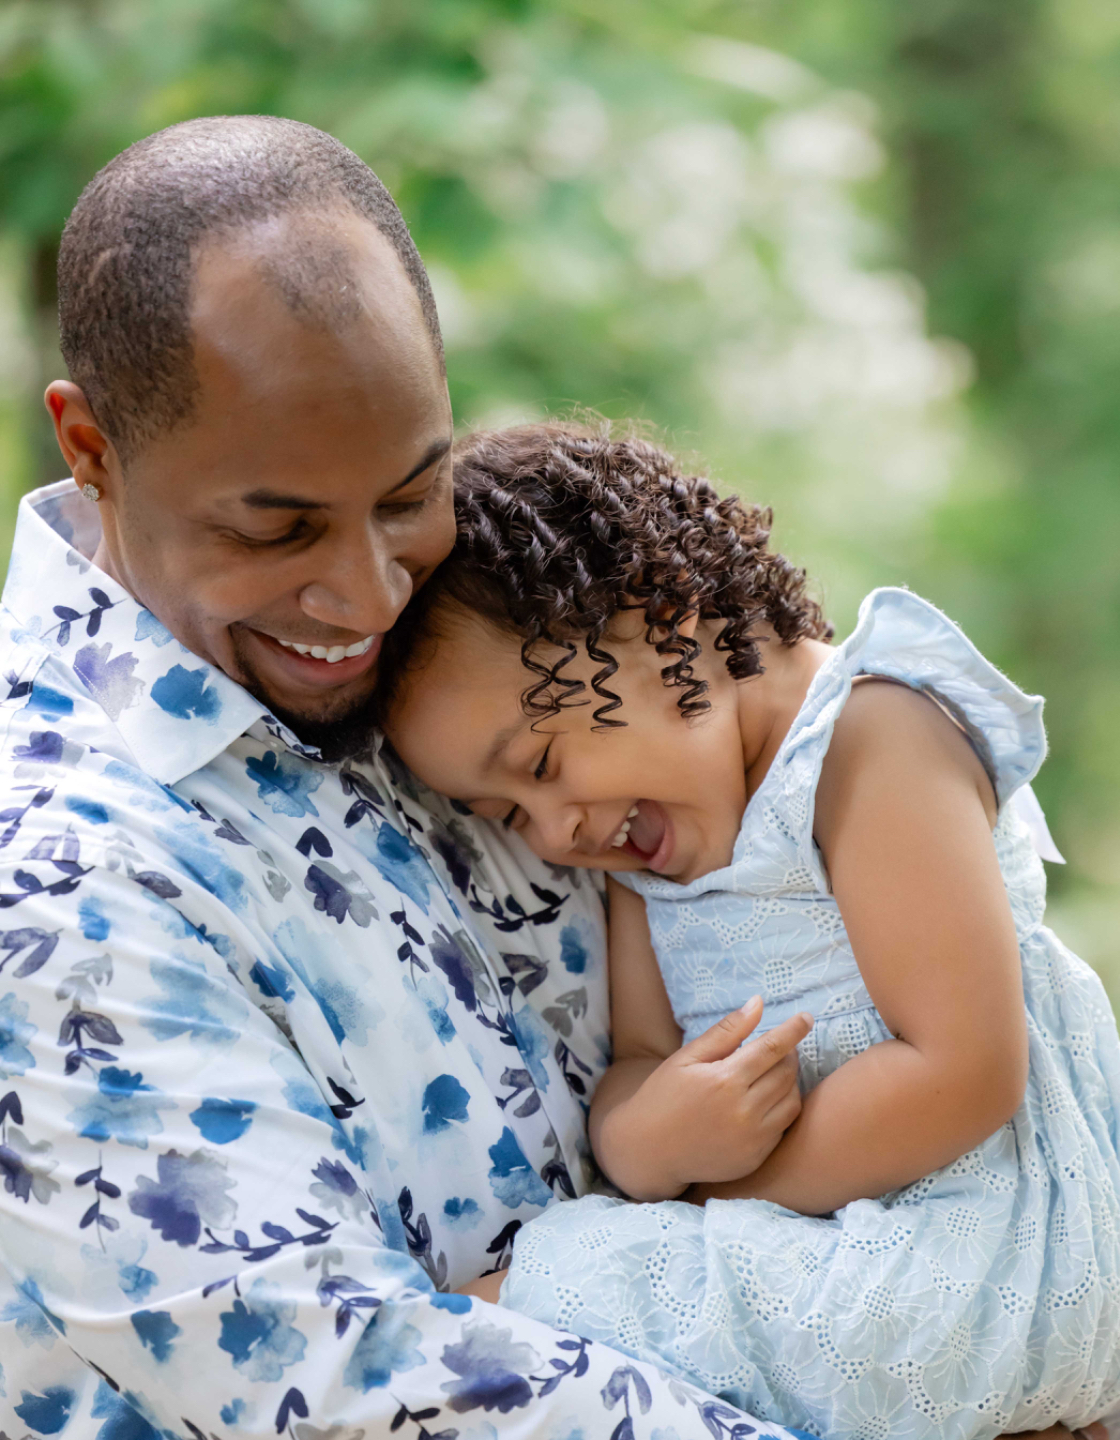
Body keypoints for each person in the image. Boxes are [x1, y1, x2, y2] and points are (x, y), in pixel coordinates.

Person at [0, 115, 813, 1440]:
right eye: (279, 529)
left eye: (408, 494)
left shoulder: (480, 640)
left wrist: (990, 1331)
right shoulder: (47, 872)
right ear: (91, 450)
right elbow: (347, 1391)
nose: (370, 592)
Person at [381, 424, 1120, 1439]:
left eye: (537, 767)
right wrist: (644, 1136)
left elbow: (964, 1074)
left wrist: (713, 1182)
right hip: (834, 1234)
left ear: (656, 611)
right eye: (507, 819)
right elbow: (641, 1058)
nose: (555, 832)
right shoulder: (639, 847)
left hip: (993, 1242)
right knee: (532, 1307)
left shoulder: (870, 738)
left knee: (514, 1313)